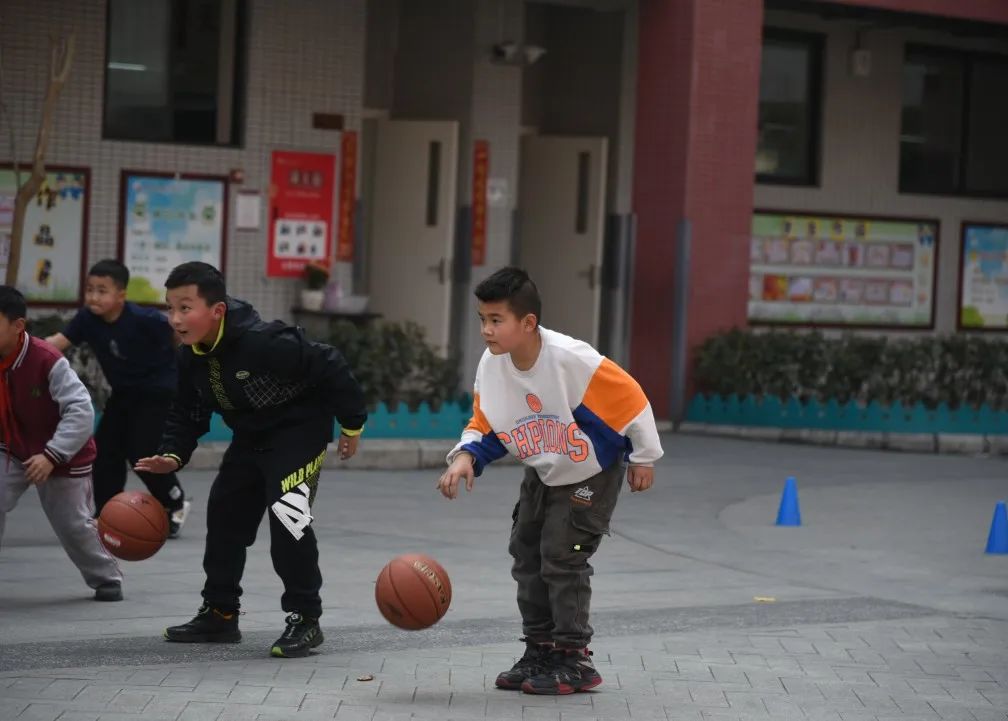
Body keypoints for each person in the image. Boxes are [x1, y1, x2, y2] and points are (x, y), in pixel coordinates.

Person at [437, 267, 663, 695]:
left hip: (592, 471)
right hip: (545, 468)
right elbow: (487, 420)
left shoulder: (572, 360)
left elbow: (631, 397)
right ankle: (540, 648)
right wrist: (466, 456)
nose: (486, 330)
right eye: (482, 319)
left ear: (527, 323)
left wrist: (644, 456)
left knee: (563, 556)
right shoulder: (494, 364)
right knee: (525, 550)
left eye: (496, 320)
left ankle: (574, 657)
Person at [135, 262, 367, 658]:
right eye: (170, 308)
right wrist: (173, 454)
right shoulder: (191, 356)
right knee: (224, 513)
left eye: (185, 308)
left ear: (217, 311)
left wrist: (351, 424)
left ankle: (305, 619)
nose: (175, 319)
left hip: (300, 431)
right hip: (252, 435)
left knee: (288, 516)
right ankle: (220, 613)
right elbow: (187, 412)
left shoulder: (264, 341)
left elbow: (328, 362)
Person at [45, 259, 191, 537]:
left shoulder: (144, 320)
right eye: (90, 289)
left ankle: (174, 501)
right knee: (104, 451)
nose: (93, 297)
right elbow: (57, 343)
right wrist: (21, 349)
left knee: (142, 452)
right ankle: (107, 512)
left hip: (158, 393)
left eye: (102, 290)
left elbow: (180, 335)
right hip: (124, 393)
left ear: (121, 295)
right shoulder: (87, 319)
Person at [0, 286, 123, 601]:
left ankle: (106, 576)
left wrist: (52, 455)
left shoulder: (46, 359)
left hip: (64, 454)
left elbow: (81, 411)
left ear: (18, 326)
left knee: (73, 524)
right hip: (12, 448)